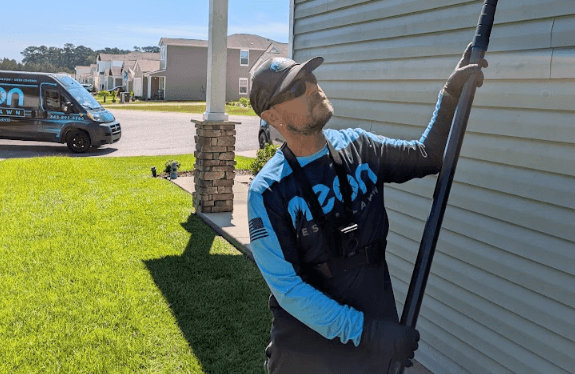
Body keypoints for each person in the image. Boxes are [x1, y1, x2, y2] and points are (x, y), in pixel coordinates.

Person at [247, 44, 487, 374]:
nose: (314, 88)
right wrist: (368, 333)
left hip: (376, 346)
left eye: (311, 77)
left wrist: (450, 93)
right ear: (271, 116)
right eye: (297, 88)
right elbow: (290, 290)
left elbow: (427, 156)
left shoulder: (360, 146)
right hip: (309, 356)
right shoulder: (268, 191)